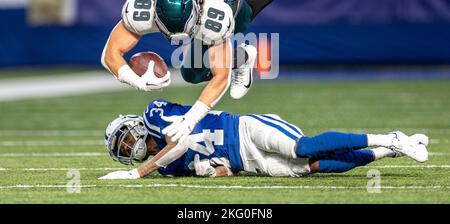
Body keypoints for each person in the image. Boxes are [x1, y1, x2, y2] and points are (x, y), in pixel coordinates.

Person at [101, 0, 332, 144]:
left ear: (198, 8)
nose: (178, 38)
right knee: (192, 72)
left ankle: (243, 56)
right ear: (155, 10)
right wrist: (137, 82)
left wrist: (190, 120)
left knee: (241, 19)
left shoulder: (212, 11)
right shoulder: (142, 6)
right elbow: (110, 54)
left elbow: (221, 77)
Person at [99, 98, 428, 179]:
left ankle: (391, 137)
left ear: (134, 126)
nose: (129, 146)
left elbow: (180, 143)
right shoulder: (167, 170)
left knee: (304, 148)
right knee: (313, 167)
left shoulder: (154, 113)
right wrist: (212, 171)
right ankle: (388, 151)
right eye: (123, 149)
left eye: (125, 139)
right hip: (247, 162)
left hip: (244, 129)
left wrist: (138, 173)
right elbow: (218, 171)